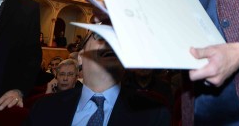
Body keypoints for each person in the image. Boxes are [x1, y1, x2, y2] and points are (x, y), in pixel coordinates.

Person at [26, 24, 170, 125]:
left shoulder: (153, 115)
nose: (110, 41)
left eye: (117, 38)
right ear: (80, 57)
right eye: (100, 34)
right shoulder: (44, 108)